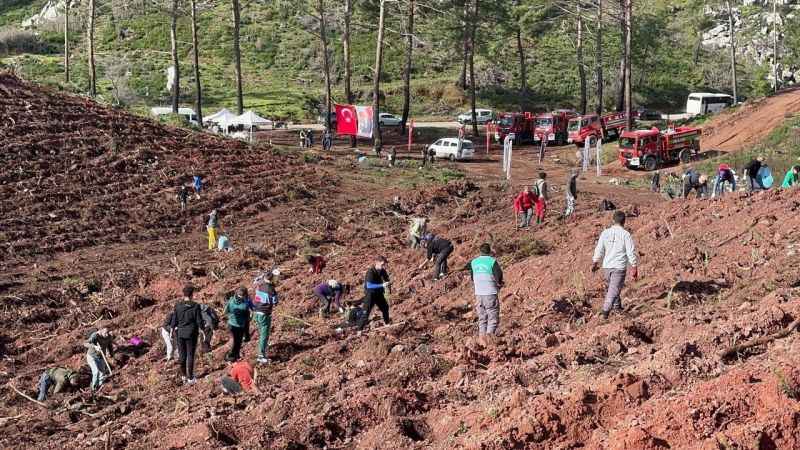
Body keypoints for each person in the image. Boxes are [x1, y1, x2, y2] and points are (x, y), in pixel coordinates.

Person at [591, 210, 639, 319]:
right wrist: (634, 266)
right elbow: (630, 252)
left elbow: (599, 249)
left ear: (613, 220)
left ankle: (617, 307)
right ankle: (605, 312)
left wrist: (595, 262)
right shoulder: (625, 235)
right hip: (619, 267)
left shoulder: (605, 233)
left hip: (607, 267)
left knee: (613, 288)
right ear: (624, 222)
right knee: (613, 290)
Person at [465, 243, 504, 345]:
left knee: (482, 318)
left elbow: (472, 278)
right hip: (490, 293)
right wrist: (499, 284)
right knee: (492, 318)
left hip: (478, 294)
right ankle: (489, 340)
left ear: (480, 251)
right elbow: (499, 276)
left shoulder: (474, 262)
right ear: (489, 251)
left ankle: (482, 341)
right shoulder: (492, 261)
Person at [169, 284, 204, 385]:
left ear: (183, 294)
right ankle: (190, 377)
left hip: (180, 333)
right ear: (192, 294)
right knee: (190, 355)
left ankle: (183, 375)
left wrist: (171, 330)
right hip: (191, 334)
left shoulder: (178, 306)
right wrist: (203, 330)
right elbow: (199, 320)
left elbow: (174, 319)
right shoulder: (196, 306)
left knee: (182, 355)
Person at [357, 256, 392, 330]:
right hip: (370, 294)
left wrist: (388, 285)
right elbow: (369, 285)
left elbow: (387, 280)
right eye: (382, 264)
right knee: (366, 313)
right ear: (377, 262)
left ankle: (387, 323)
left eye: (384, 264)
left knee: (385, 308)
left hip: (379, 293)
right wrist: (382, 285)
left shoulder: (383, 271)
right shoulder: (370, 271)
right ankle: (359, 330)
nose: (383, 266)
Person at [252, 272, 279, 364]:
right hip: (264, 313)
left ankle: (262, 348)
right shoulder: (271, 289)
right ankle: (261, 356)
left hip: (256, 312)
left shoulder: (259, 283)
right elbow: (275, 301)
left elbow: (255, 281)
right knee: (264, 335)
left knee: (262, 333)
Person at [224, 287, 253, 361]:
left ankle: (234, 356)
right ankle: (232, 356)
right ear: (244, 295)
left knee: (235, 340)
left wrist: (231, 316)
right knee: (237, 342)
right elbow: (247, 317)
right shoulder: (245, 305)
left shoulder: (230, 300)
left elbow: (225, 312)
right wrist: (250, 317)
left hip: (231, 323)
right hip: (240, 325)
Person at [84, 327, 114, 392]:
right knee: (96, 372)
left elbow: (110, 346)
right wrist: (95, 347)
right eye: (105, 333)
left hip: (101, 357)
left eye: (107, 333)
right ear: (101, 332)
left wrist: (111, 354)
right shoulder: (95, 335)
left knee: (102, 373)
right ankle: (93, 389)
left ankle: (100, 387)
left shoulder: (108, 337)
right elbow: (85, 343)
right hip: (92, 356)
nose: (106, 335)